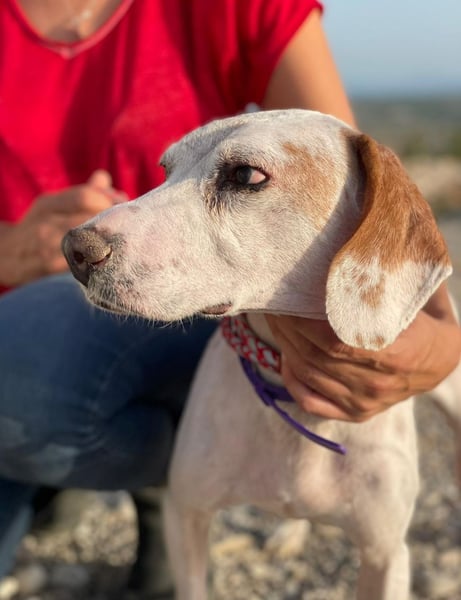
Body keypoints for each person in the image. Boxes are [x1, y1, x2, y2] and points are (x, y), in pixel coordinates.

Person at [0, 1, 459, 598]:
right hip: (54, 321)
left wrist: (443, 342)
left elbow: (362, 186)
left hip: (204, 316)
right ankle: (93, 478)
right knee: (24, 390)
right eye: (170, 174)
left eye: (244, 177)